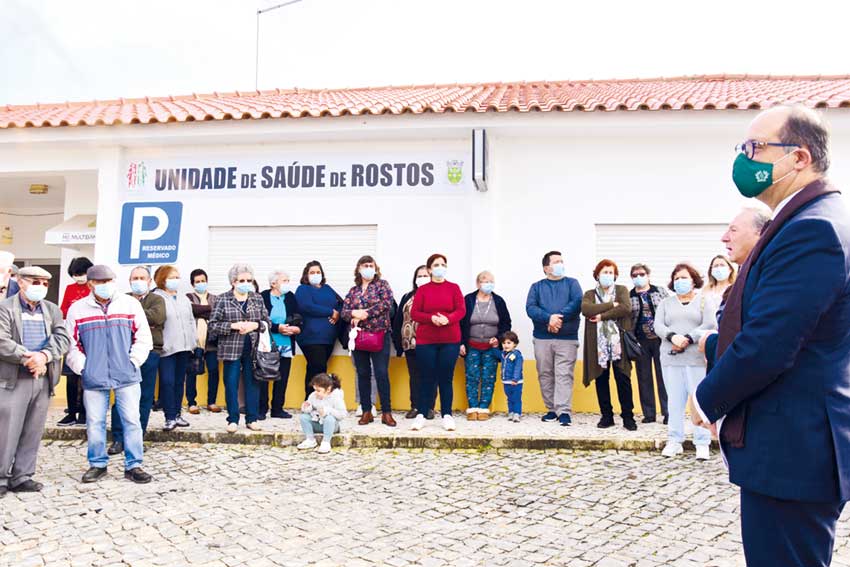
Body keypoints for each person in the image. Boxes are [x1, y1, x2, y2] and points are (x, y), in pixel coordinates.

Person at [693, 105, 850, 566]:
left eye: (755, 148)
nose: (745, 158)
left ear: (798, 158)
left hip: (794, 449)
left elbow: (772, 341)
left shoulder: (813, 227)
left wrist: (706, 399)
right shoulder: (805, 218)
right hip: (791, 444)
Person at [65, 265, 153, 484]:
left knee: (132, 420)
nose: (105, 285)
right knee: (94, 421)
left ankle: (134, 465)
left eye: (109, 281)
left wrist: (133, 362)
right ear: (91, 284)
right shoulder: (78, 309)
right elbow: (71, 344)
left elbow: (143, 337)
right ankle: (97, 464)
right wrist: (83, 367)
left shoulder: (130, 304)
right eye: (100, 282)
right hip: (94, 375)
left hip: (127, 373)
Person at [0, 266, 70, 497]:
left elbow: (62, 338)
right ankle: (1, 477)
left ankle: (22, 476)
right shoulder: (5, 307)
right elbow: (2, 340)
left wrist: (44, 356)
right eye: (35, 281)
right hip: (14, 378)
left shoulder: (52, 309)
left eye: (45, 283)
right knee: (6, 430)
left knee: (33, 429)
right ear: (20, 282)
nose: (40, 287)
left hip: (43, 377)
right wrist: (27, 357)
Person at [653, 263, 715, 460]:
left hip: (696, 357)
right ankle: (674, 440)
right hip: (671, 358)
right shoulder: (666, 303)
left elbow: (709, 324)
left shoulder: (704, 301)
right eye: (677, 278)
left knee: (698, 400)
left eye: (685, 278)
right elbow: (658, 325)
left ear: (693, 280)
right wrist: (673, 337)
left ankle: (702, 441)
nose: (681, 282)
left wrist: (688, 338)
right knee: (674, 401)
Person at [698, 207, 771, 365]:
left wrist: (711, 344)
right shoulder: (745, 277)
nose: (724, 238)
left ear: (760, 232)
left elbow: (756, 342)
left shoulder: (765, 279)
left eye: (733, 230)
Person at [107, 267, 166, 456]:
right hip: (123, 352)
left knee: (145, 397)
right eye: (135, 278)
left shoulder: (157, 299)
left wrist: (131, 315)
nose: (138, 281)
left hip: (150, 352)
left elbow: (158, 317)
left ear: (149, 281)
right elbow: (113, 318)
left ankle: (137, 437)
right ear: (129, 281)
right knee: (121, 396)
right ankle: (118, 438)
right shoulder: (121, 299)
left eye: (142, 278)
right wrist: (140, 317)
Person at [209, 264, 270, 433]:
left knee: (253, 383)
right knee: (231, 383)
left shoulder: (257, 298)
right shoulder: (222, 299)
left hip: (253, 348)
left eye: (249, 280)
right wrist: (233, 326)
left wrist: (254, 324)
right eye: (241, 280)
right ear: (233, 282)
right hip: (231, 348)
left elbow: (267, 322)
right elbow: (213, 326)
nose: (246, 283)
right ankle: (233, 419)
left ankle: (252, 418)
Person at [525, 251, 582, 426]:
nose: (561, 264)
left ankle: (563, 411)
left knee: (564, 374)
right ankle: (551, 409)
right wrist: (548, 318)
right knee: (545, 373)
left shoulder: (572, 283)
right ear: (546, 268)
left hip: (567, 338)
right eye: (556, 261)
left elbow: (577, 303)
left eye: (562, 261)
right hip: (542, 338)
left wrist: (557, 318)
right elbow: (531, 308)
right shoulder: (537, 287)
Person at [409, 254, 466, 432]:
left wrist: (448, 319)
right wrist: (431, 318)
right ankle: (421, 414)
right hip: (427, 341)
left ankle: (447, 415)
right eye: (436, 264)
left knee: (445, 378)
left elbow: (461, 310)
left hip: (450, 340)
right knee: (426, 378)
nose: (440, 267)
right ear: (429, 269)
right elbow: (415, 313)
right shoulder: (423, 290)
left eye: (443, 264)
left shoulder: (454, 288)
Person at [581, 260, 637, 431]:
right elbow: (586, 309)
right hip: (598, 345)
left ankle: (628, 417)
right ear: (597, 275)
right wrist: (611, 305)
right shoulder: (590, 293)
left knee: (623, 379)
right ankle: (607, 416)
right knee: (601, 379)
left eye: (611, 272)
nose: (608, 276)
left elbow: (626, 308)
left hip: (618, 343)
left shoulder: (622, 290)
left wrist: (601, 316)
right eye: (604, 272)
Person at [342, 255, 396, 427]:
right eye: (365, 265)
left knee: (381, 373)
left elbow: (386, 304)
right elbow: (344, 311)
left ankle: (386, 412)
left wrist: (364, 313)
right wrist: (353, 314)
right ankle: (366, 411)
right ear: (359, 268)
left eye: (371, 265)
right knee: (363, 373)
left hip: (379, 335)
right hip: (359, 337)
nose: (368, 268)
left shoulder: (382, 285)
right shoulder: (353, 290)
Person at [459, 271, 511, 421]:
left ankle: (484, 408)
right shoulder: (468, 300)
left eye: (491, 281)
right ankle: (472, 408)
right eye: (485, 280)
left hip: (491, 347)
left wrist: (499, 338)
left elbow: (506, 323)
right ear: (478, 283)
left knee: (489, 377)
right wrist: (461, 343)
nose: (488, 283)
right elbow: (461, 323)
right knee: (472, 377)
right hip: (472, 346)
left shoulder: (499, 301)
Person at [151, 265, 196, 431]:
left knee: (179, 382)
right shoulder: (156, 297)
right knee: (167, 382)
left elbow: (191, 321)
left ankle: (177, 413)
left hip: (184, 347)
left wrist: (193, 342)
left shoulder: (183, 298)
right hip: (166, 348)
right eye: (172, 277)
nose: (176, 280)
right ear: (163, 279)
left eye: (177, 277)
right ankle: (169, 416)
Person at [629, 263, 670, 424]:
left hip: (661, 339)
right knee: (644, 377)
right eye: (635, 275)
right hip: (640, 341)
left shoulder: (659, 291)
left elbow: (669, 310)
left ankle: (667, 412)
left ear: (648, 275)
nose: (638, 277)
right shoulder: (629, 295)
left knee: (663, 376)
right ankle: (649, 414)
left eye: (641, 274)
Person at [392, 265, 435, 420]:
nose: (422, 278)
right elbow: (398, 320)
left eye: (425, 275)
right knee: (415, 376)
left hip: (430, 343)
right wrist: (398, 343)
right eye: (419, 275)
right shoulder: (407, 296)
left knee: (430, 376)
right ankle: (415, 406)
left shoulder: (436, 295)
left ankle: (429, 407)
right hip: (410, 344)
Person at [295, 261, 341, 398]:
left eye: (318, 272)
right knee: (318, 368)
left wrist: (337, 313)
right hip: (311, 337)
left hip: (328, 337)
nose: (316, 275)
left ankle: (313, 399)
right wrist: (330, 312)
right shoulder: (303, 289)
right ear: (306, 275)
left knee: (317, 368)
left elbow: (341, 303)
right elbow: (306, 306)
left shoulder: (328, 288)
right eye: (312, 272)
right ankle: (311, 400)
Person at [259, 269, 302, 419]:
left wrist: (297, 328)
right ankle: (261, 409)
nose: (287, 284)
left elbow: (297, 317)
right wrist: (277, 328)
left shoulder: (290, 297)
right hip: (267, 343)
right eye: (284, 281)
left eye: (287, 281)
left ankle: (277, 409)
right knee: (264, 376)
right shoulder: (263, 296)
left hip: (286, 343)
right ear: (273, 283)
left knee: (282, 377)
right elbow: (260, 320)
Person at [56, 256, 93, 427]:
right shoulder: (70, 288)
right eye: (75, 274)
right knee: (71, 378)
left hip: (89, 338)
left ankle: (85, 413)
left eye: (81, 273)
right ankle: (71, 412)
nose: (78, 277)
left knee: (86, 377)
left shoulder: (93, 287)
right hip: (72, 336)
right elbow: (63, 309)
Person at [185, 268, 221, 414]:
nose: (201, 283)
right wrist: (208, 310)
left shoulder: (215, 298)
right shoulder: (188, 297)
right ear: (193, 284)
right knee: (191, 372)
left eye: (203, 281)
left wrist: (201, 311)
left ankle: (211, 402)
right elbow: (190, 310)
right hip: (195, 342)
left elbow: (217, 313)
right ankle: (191, 402)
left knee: (213, 371)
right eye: (197, 281)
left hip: (211, 342)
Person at [297, 373, 347, 454]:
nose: (316, 392)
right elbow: (309, 409)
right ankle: (310, 439)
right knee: (304, 417)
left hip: (331, 426)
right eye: (315, 390)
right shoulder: (313, 396)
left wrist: (327, 411)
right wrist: (306, 407)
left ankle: (326, 442)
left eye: (318, 390)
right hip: (317, 423)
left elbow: (342, 414)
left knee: (329, 419)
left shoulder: (336, 397)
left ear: (328, 389)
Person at [497, 331, 524, 422]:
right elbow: (496, 354)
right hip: (506, 381)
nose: (506, 345)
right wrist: (493, 347)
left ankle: (517, 413)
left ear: (515, 344)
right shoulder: (502, 354)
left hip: (516, 382)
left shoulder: (517, 355)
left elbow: (518, 367)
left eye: (509, 343)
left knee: (516, 398)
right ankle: (511, 412)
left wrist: (515, 379)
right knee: (509, 398)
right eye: (504, 343)